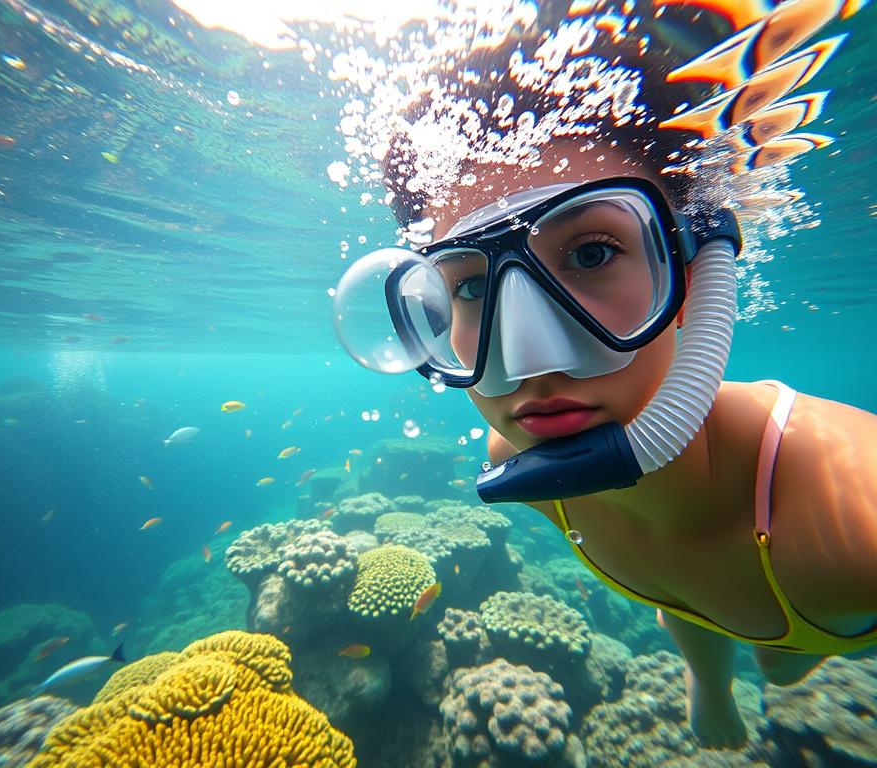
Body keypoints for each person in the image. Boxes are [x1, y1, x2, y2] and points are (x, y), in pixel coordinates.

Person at [333, 0, 877, 750]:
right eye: (466, 286)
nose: (530, 361)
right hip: (712, 604)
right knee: (696, 611)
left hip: (809, 615)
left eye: (591, 253)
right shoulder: (526, 464)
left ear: (692, 277)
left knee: (786, 666)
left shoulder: (857, 519)